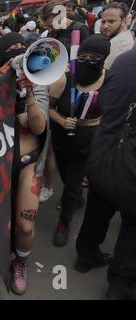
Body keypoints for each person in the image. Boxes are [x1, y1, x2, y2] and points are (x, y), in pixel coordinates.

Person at [76, 49, 136, 300]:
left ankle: (85, 256)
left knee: (98, 208)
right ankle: (120, 287)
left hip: (102, 150)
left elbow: (103, 103)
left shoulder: (124, 60)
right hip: (128, 162)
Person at [0, 33, 50, 295]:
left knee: (26, 224)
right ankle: (6, 253)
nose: (17, 52)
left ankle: (22, 262)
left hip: (29, 163)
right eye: (11, 50)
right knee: (2, 224)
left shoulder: (37, 82)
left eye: (21, 49)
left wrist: (27, 94)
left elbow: (37, 126)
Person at [49, 35, 111, 247]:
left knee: (73, 185)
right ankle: (75, 198)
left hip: (87, 143)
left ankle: (64, 222)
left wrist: (92, 124)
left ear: (103, 59)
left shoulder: (110, 81)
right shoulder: (65, 78)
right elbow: (48, 108)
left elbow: (111, 113)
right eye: (83, 55)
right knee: (66, 176)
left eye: (94, 57)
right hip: (62, 139)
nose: (87, 60)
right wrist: (62, 120)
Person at [100, 3, 134, 70]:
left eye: (111, 21)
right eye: (103, 22)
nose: (105, 26)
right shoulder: (121, 38)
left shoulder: (118, 44)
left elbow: (101, 74)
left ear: (123, 21)